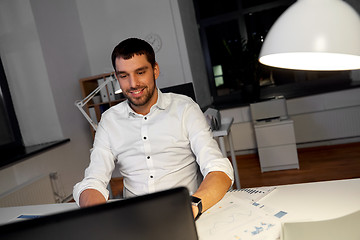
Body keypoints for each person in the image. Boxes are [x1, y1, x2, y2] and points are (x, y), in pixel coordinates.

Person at [73, 38, 234, 220]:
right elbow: (93, 180)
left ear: (155, 70)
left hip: (186, 213)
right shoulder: (109, 121)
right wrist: (100, 218)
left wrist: (192, 207)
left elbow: (218, 168)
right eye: (124, 76)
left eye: (140, 72)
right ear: (117, 77)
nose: (133, 84)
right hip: (136, 220)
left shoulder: (185, 109)